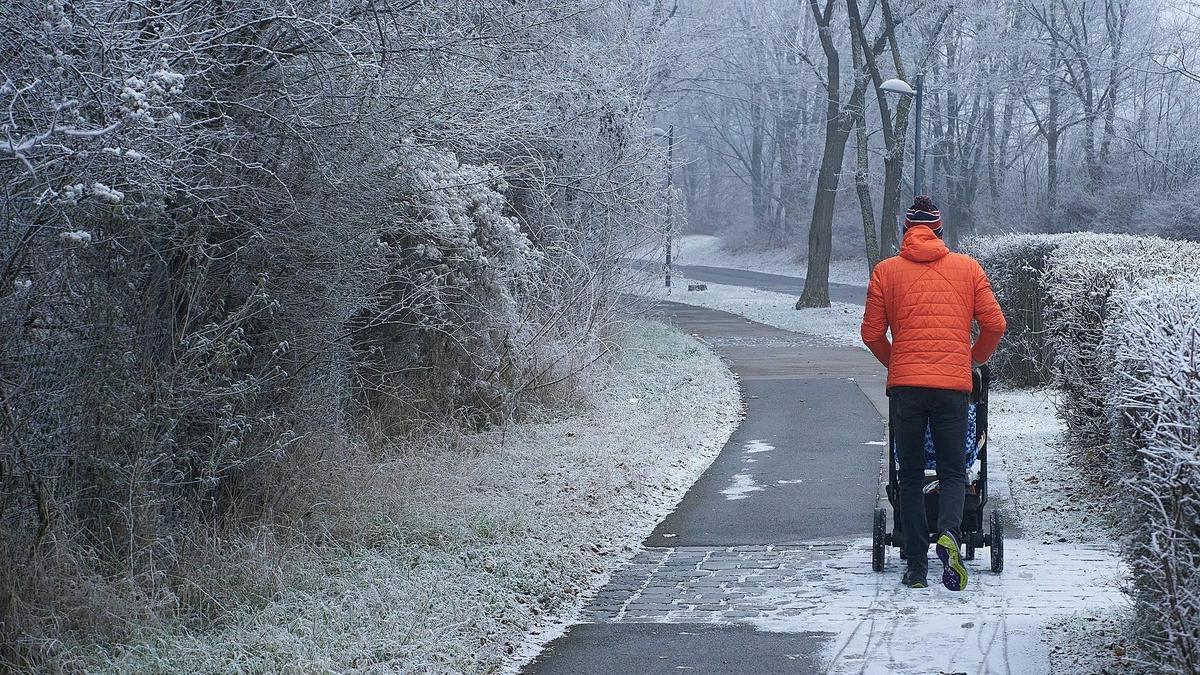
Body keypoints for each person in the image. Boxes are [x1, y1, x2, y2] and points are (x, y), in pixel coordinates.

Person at [860, 195, 1007, 591]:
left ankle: (915, 567)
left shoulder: (885, 272)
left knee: (908, 474)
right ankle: (949, 534)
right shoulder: (968, 268)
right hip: (952, 389)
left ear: (906, 232)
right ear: (940, 232)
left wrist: (898, 364)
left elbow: (871, 333)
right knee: (953, 469)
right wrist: (969, 360)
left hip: (907, 389)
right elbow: (995, 324)